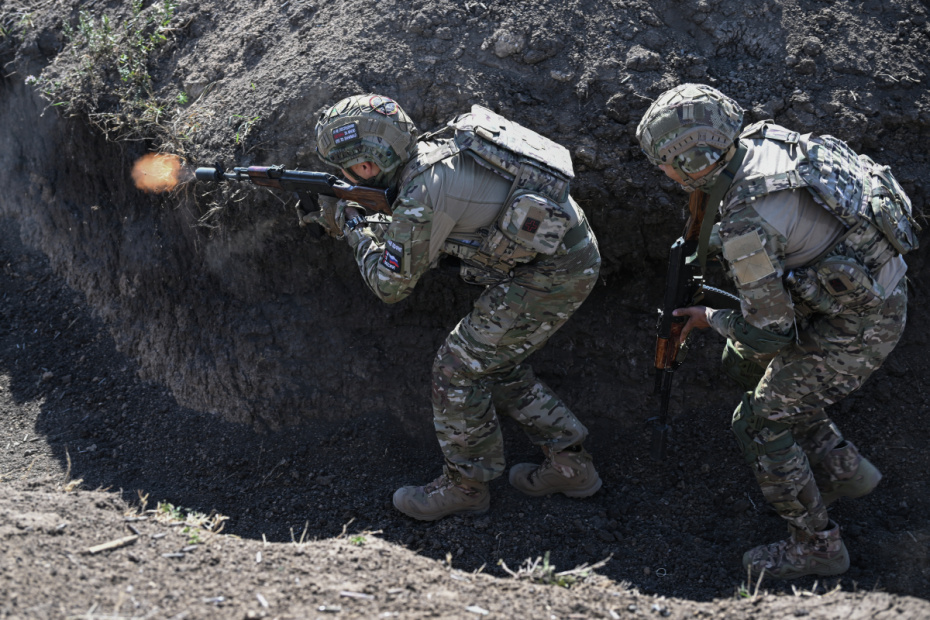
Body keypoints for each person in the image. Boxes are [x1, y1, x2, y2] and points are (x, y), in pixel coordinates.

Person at [636, 84, 915, 579]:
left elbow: (769, 334)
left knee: (758, 422)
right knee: (741, 364)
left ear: (697, 162)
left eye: (665, 162)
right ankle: (841, 469)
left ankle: (818, 547)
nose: (662, 171)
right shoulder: (766, 141)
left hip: (859, 330)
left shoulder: (747, 218)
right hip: (865, 291)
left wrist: (708, 319)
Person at [309, 94, 602, 521]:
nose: (344, 176)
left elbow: (389, 286)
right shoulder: (429, 157)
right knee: (495, 364)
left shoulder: (424, 190)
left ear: (368, 166)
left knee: (457, 369)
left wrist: (352, 226)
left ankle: (465, 487)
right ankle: (571, 467)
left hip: (553, 274)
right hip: (561, 257)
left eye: (346, 169)